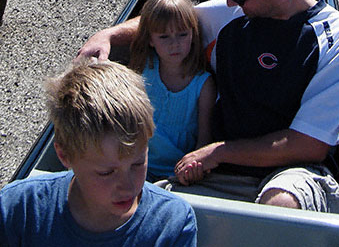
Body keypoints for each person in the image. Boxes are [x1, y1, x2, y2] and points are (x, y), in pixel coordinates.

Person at [77, 0, 339, 213]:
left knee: (279, 206)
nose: (229, 2)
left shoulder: (337, 39)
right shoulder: (235, 13)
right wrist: (109, 36)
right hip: (214, 168)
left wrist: (219, 151)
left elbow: (309, 145)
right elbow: (166, 22)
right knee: (137, 205)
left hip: (290, 172)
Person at [0, 59, 196, 245]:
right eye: (106, 172)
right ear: (64, 155)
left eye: (137, 163)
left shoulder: (171, 223)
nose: (128, 186)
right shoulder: (19, 209)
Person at [129, 0, 216, 181]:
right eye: (164, 37)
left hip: (176, 173)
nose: (174, 44)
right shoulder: (143, 69)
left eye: (182, 34)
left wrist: (193, 170)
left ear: (193, 34)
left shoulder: (203, 84)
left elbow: (204, 139)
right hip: (136, 165)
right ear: (150, 39)